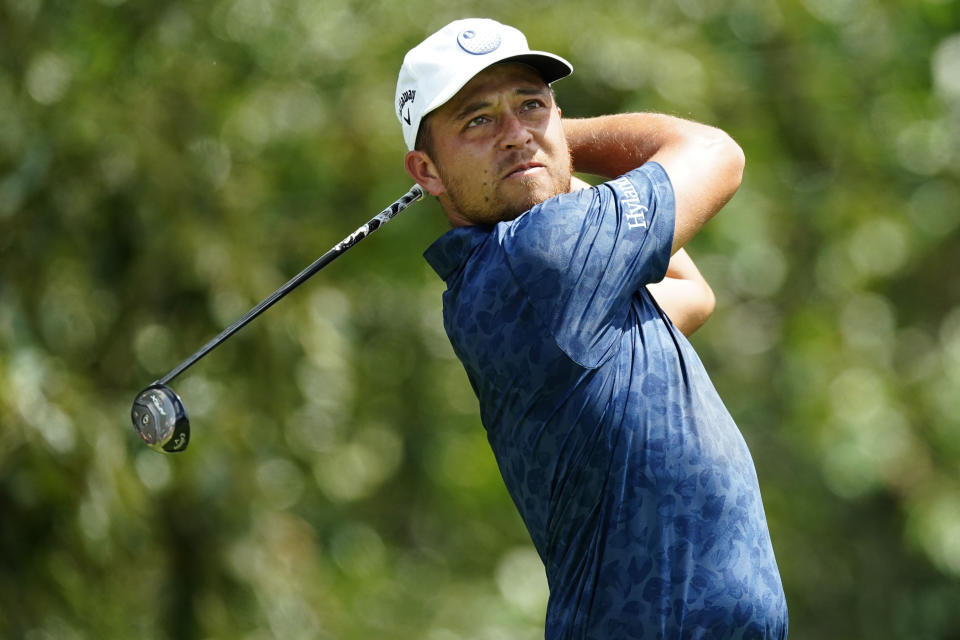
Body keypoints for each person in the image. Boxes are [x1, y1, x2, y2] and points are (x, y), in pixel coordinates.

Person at [395, 18, 788, 639]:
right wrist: (555, 140)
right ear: (427, 171)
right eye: (478, 120)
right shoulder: (543, 257)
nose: (516, 133)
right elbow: (717, 153)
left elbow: (690, 294)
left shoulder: (527, 277)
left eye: (532, 105)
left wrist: (534, 155)